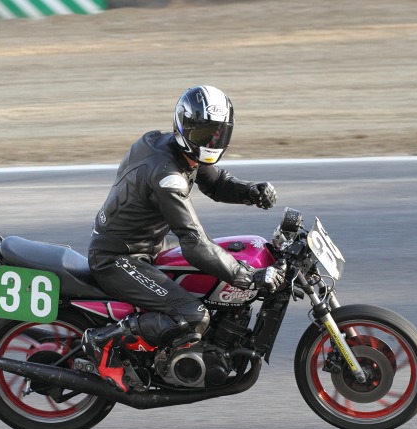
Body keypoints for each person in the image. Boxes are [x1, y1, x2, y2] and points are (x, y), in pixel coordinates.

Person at [82, 85, 284, 392]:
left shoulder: (169, 146)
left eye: (217, 134)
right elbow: (195, 244)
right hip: (118, 258)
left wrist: (249, 192)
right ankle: (103, 342)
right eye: (204, 134)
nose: (211, 142)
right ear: (185, 128)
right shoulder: (167, 177)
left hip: (145, 247)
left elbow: (216, 182)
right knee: (193, 315)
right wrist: (248, 276)